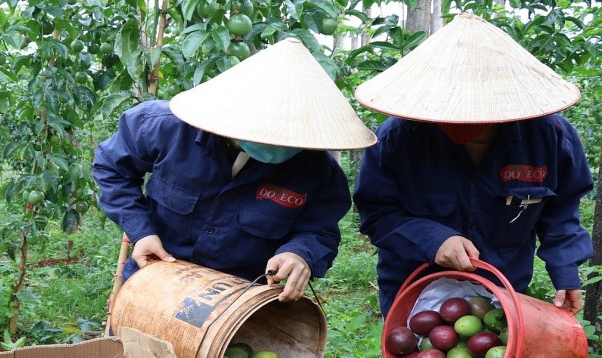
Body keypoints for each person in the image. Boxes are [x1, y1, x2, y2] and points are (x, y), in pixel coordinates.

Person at [92, 37, 376, 303]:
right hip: (153, 283)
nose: (279, 143)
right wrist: (142, 231)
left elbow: (320, 231)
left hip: (236, 302)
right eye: (269, 133)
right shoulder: (165, 129)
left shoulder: (318, 170)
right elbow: (112, 168)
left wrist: (300, 254)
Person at [352, 13, 592, 318]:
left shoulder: (549, 137)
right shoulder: (398, 139)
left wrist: (566, 270)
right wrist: (433, 240)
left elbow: (561, 212)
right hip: (415, 291)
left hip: (503, 291)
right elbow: (377, 214)